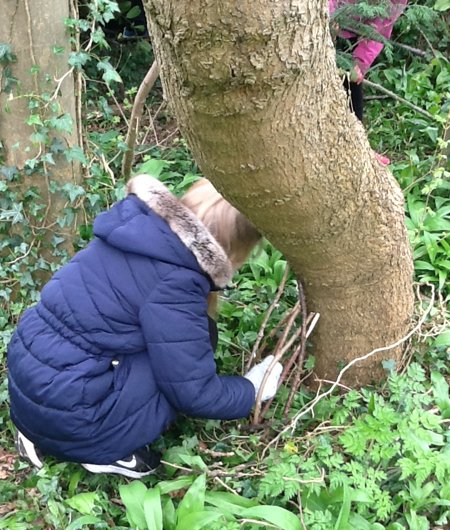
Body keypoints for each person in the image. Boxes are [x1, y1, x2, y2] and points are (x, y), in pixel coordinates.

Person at [8, 175, 282, 479]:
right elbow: (193, 392)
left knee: (190, 336)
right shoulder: (176, 284)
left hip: (28, 373)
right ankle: (103, 451)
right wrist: (252, 390)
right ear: (235, 250)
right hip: (72, 410)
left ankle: (36, 427)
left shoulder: (136, 230)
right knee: (184, 356)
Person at [330, 0, 408, 164]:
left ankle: (358, 146)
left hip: (355, 36)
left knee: (352, 87)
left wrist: (360, 62)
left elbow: (381, 26)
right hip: (328, 17)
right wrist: (328, 16)